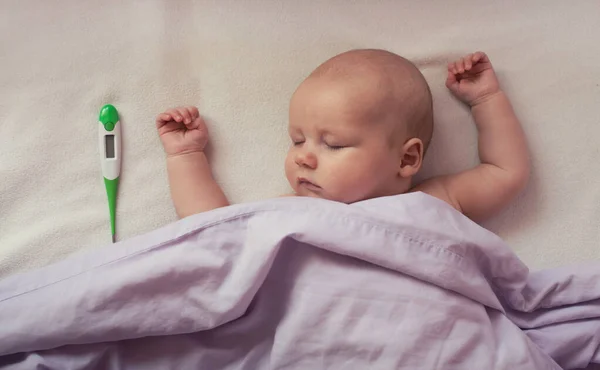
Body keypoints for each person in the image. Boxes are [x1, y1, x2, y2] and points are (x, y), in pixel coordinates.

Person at [155, 49, 529, 223]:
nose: (303, 156)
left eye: (332, 144)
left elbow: (504, 172)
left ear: (406, 159)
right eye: (297, 140)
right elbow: (211, 231)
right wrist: (186, 157)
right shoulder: (289, 213)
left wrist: (485, 100)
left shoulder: (434, 202)